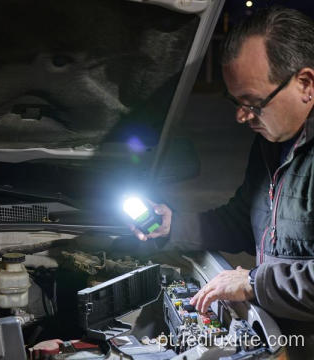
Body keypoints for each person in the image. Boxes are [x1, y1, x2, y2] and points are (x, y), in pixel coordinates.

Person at [130, 6, 314, 358]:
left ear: (305, 84)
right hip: (279, 338)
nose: (241, 115)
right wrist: (174, 224)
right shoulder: (271, 145)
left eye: (253, 103)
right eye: (235, 101)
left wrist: (252, 283)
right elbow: (246, 222)